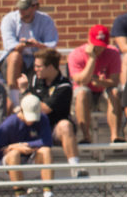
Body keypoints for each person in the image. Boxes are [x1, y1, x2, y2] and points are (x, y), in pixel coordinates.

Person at [20, 48, 84, 176]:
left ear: (50, 67)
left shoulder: (64, 85)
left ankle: (75, 167)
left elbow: (44, 109)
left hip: (54, 129)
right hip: (36, 127)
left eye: (39, 66)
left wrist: (25, 91)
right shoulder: (34, 79)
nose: (35, 69)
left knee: (65, 125)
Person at [0, 94, 62, 197]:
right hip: (10, 166)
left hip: (31, 160)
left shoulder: (43, 119)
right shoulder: (8, 125)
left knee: (46, 151)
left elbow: (47, 141)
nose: (31, 121)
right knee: (14, 154)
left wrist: (27, 145)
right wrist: (15, 147)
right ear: (21, 110)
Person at [0, 0, 59, 105]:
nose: (21, 11)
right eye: (20, 7)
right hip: (12, 64)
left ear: (35, 6)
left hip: (36, 59)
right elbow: (8, 44)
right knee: (15, 55)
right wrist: (22, 45)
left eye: (25, 8)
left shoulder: (46, 20)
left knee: (47, 60)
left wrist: (38, 45)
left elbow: (52, 45)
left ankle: (48, 100)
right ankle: (14, 102)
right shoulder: (9, 19)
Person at [68, 25, 123, 144]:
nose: (98, 48)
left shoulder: (113, 52)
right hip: (83, 98)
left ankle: (115, 136)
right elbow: (80, 81)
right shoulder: (76, 54)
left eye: (101, 46)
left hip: (104, 95)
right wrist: (92, 58)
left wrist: (100, 82)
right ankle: (86, 136)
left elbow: (114, 81)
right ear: (89, 40)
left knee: (115, 91)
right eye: (95, 44)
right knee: (82, 92)